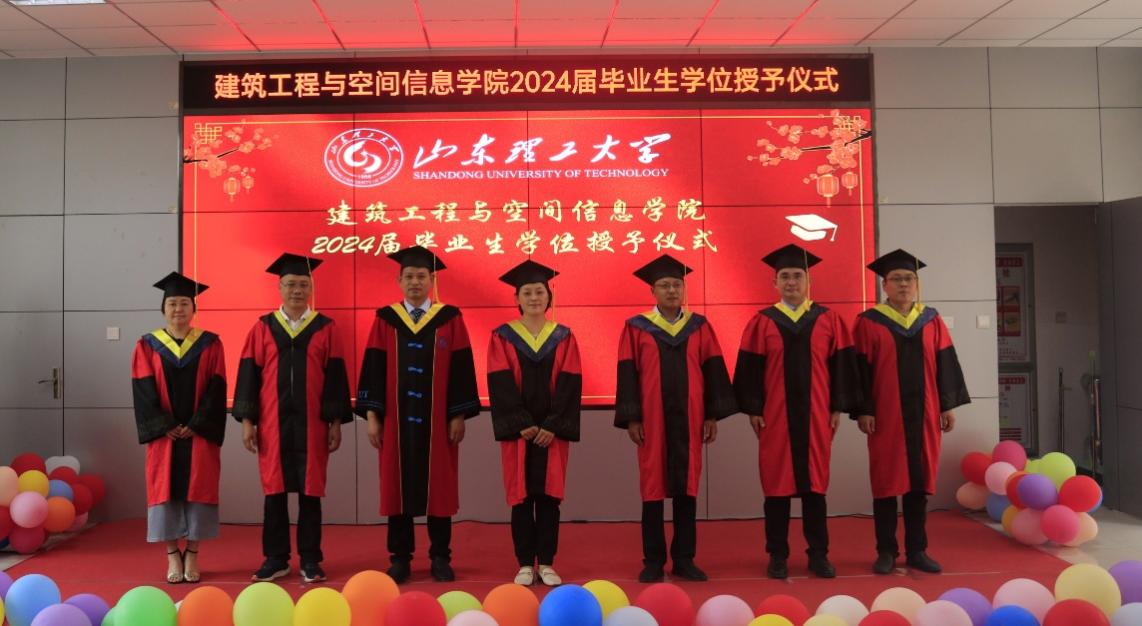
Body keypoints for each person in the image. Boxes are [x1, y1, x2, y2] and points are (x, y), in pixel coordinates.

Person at [733, 244, 862, 580]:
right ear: (774, 282)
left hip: (817, 415)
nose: (791, 282)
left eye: (797, 276)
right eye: (785, 276)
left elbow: (841, 367)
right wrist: (753, 409)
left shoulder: (828, 320)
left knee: (815, 487)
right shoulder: (762, 322)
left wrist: (836, 406)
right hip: (775, 416)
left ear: (808, 281)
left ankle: (818, 555)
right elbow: (749, 370)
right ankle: (777, 555)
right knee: (776, 487)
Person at [356, 246, 480, 583]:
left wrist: (458, 415)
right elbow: (373, 367)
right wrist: (372, 416)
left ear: (431, 280)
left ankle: (440, 557)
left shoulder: (450, 319)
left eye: (421, 276)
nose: (415, 282)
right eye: (409, 276)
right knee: (396, 487)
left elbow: (461, 369)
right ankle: (400, 559)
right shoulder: (386, 319)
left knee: (439, 488)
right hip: (395, 420)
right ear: (399, 281)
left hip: (438, 420)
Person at [615, 254, 737, 583]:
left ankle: (684, 558)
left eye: (677, 285)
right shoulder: (636, 328)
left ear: (683, 289)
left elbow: (712, 370)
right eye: (665, 285)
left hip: (691, 418)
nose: (672, 290)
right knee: (653, 489)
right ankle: (653, 560)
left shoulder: (699, 326)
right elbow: (628, 374)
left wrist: (711, 414)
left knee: (687, 489)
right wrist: (632, 418)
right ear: (652, 291)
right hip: (652, 421)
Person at [232, 253, 352, 583]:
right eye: (290, 284)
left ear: (311, 288)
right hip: (273, 424)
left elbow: (335, 378)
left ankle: (310, 559)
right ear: (279, 288)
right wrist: (248, 422)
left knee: (311, 493)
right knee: (275, 492)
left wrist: (335, 422)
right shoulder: (263, 328)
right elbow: (249, 375)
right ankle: (276, 559)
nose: (297, 290)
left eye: (303, 284)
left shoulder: (326, 328)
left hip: (313, 424)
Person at [853, 248, 970, 575]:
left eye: (909, 278)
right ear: (884, 285)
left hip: (926, 413)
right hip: (886, 415)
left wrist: (947, 404)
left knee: (919, 484)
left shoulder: (931, 320)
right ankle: (886, 551)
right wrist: (864, 410)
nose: (903, 284)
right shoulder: (868, 322)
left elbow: (945, 363)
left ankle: (917, 550)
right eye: (896, 279)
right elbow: (860, 371)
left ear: (916, 284)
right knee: (886, 483)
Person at [487, 260, 582, 587]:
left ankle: (548, 562)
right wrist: (521, 422)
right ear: (516, 298)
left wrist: (552, 425)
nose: (533, 298)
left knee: (549, 497)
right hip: (520, 434)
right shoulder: (502, 337)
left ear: (548, 297)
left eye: (539, 292)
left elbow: (570, 382)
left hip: (552, 434)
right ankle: (526, 563)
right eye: (527, 292)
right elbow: (499, 381)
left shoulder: (564, 337)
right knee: (522, 497)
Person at [132, 272, 227, 584]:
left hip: (199, 434)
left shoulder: (211, 344)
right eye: (172, 303)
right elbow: (143, 389)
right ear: (163, 309)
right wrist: (166, 424)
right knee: (165, 488)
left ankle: (194, 552)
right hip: (165, 437)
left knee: (199, 486)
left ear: (193, 309)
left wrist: (197, 424)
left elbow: (217, 387)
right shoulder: (147, 346)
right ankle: (173, 553)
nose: (178, 309)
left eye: (184, 303)